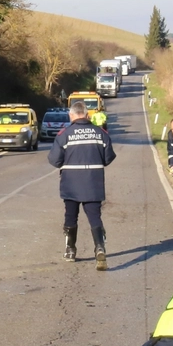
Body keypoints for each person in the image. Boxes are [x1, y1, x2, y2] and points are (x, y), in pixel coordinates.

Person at [48, 99, 115, 269]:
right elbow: (108, 158)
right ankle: (100, 248)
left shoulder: (64, 134)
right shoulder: (100, 133)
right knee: (94, 217)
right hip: (93, 182)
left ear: (71, 115)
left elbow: (54, 160)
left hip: (71, 183)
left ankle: (70, 250)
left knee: (71, 216)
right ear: (87, 114)